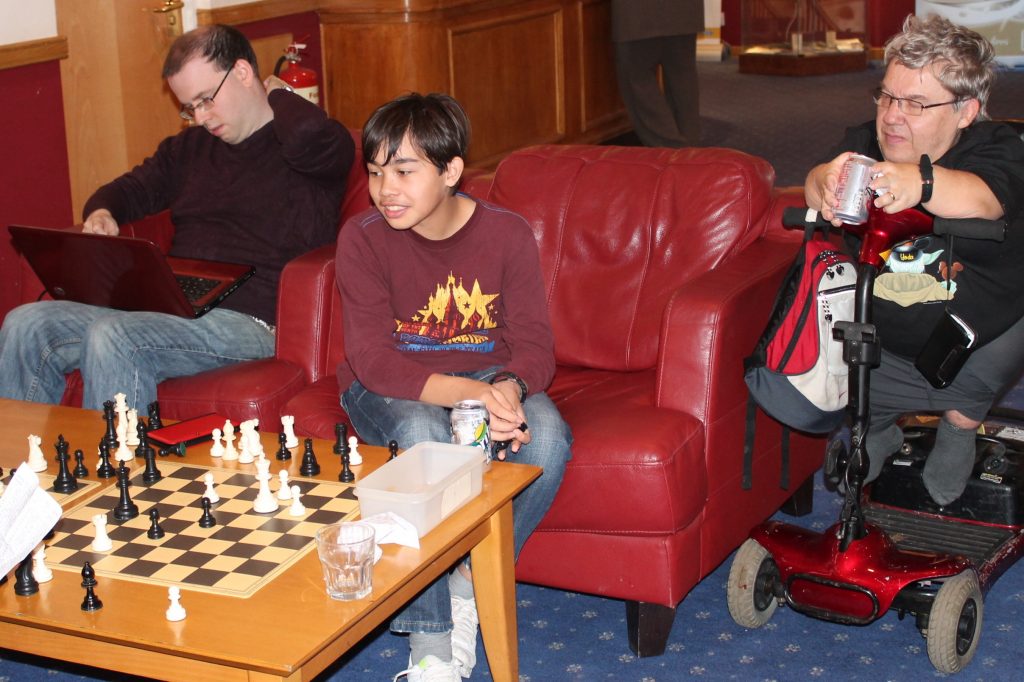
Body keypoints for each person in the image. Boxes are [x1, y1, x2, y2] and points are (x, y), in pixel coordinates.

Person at [335, 93, 572, 681]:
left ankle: (465, 578)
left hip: (487, 378)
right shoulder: (362, 238)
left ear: (451, 171)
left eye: (404, 170)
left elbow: (536, 347)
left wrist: (510, 389)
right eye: (374, 172)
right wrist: (471, 396)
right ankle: (433, 647)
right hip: (389, 385)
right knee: (423, 438)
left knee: (545, 438)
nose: (385, 187)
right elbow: (372, 361)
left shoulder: (507, 235)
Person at [0, 24, 354, 412]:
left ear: (241, 72)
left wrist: (277, 91)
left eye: (206, 99)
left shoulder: (309, 150)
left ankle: (116, 471)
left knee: (115, 335)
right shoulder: (189, 149)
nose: (201, 117)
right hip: (175, 308)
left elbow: (308, 132)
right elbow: (129, 190)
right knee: (26, 324)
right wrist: (101, 212)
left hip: (252, 320)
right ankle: (20, 468)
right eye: (190, 107)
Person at [805, 14, 1024, 506]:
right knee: (848, 348)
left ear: (966, 111)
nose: (892, 116)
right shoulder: (866, 141)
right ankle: (877, 428)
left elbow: (986, 199)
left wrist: (919, 183)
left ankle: (960, 424)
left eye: (916, 104)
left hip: (971, 335)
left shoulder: (999, 148)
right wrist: (823, 179)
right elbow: (816, 181)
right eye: (887, 96)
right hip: (880, 333)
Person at [611, 0, 704, 148]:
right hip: (684, 10)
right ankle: (690, 149)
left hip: (639, 12)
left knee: (636, 77)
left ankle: (671, 147)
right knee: (682, 75)